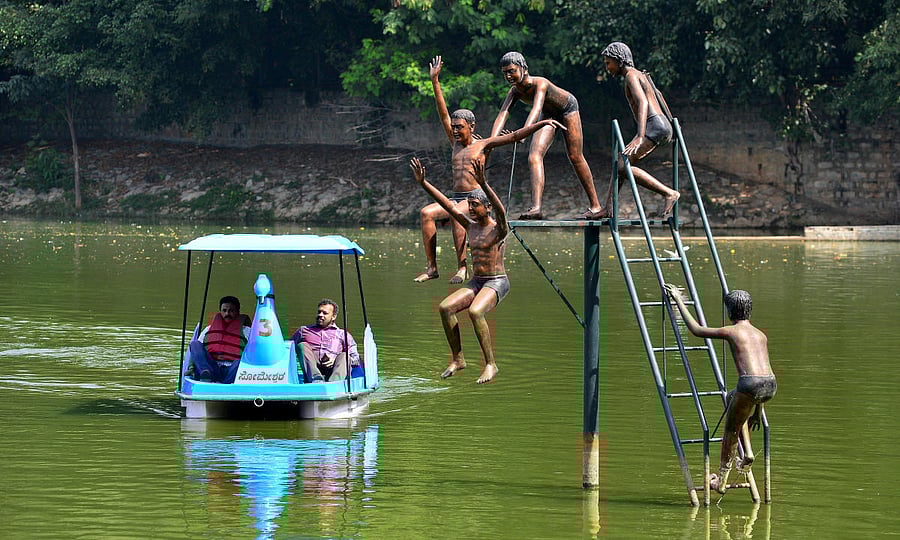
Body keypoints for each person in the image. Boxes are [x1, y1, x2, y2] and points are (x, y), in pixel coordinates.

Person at [413, 56, 567, 283]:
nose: (455, 131)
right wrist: (435, 81)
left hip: (475, 197)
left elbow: (515, 136)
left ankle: (462, 267)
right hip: (455, 197)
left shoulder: (483, 145)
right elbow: (443, 113)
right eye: (453, 128)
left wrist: (541, 124)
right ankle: (432, 268)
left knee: (458, 215)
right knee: (426, 213)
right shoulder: (454, 143)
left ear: (471, 127)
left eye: (459, 128)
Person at [664, 285, 776, 494]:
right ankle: (748, 453)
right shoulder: (760, 334)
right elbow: (763, 372)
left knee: (730, 431)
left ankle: (721, 482)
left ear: (730, 311)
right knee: (734, 399)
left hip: (750, 384)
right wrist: (759, 412)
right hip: (769, 385)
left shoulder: (731, 331)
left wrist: (679, 300)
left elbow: (697, 330)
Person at [410, 156, 509, 384]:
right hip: (478, 281)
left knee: (475, 312)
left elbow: (502, 212)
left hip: (497, 281)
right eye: (470, 205)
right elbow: (447, 204)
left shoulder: (499, 229)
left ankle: (491, 364)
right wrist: (423, 183)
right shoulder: (469, 226)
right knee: (445, 307)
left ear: (488, 207)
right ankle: (458, 359)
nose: (471, 209)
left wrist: (483, 184)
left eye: (476, 205)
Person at [490, 51, 604, 220]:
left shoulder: (540, 84)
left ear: (524, 69)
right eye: (505, 72)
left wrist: (522, 134)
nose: (508, 76)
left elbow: (536, 109)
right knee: (534, 156)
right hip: (549, 115)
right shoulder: (514, 92)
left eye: (512, 71)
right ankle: (536, 208)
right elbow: (503, 114)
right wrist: (491, 142)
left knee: (575, 156)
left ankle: (596, 206)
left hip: (567, 109)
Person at [599, 42, 680, 218]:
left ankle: (669, 193)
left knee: (622, 165)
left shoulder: (631, 76)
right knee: (621, 163)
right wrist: (672, 124)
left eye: (608, 63)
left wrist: (640, 135)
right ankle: (608, 209)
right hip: (663, 124)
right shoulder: (641, 75)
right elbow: (658, 95)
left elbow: (643, 102)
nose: (607, 68)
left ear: (619, 60)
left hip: (654, 125)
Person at [291, 298, 360, 383]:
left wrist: (334, 360)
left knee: (345, 355)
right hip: (312, 370)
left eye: (325, 313)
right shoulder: (304, 330)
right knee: (302, 345)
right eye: (319, 312)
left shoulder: (343, 334)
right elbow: (288, 350)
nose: (320, 315)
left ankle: (334, 384)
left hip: (334, 370)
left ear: (333, 317)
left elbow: (356, 358)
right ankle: (316, 381)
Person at [189, 295, 252, 383]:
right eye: (224, 310)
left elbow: (254, 353)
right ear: (220, 311)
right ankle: (205, 374)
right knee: (195, 344)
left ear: (237, 312)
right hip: (212, 368)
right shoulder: (208, 329)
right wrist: (191, 367)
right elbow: (196, 352)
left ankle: (225, 385)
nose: (227, 314)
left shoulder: (247, 331)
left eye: (231, 311)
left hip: (232, 370)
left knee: (240, 362)